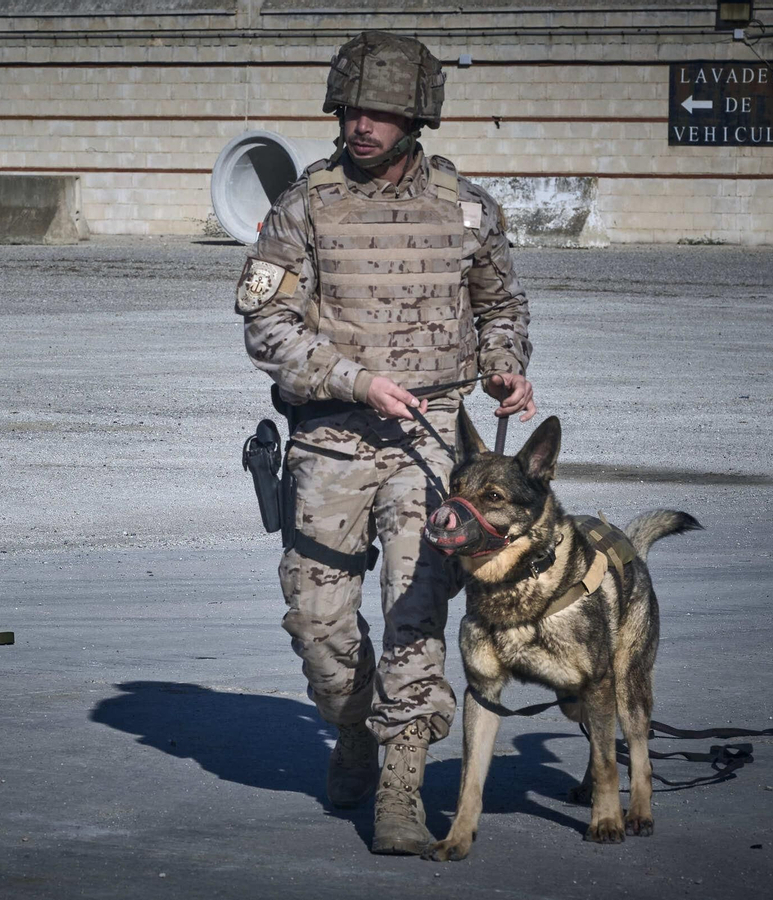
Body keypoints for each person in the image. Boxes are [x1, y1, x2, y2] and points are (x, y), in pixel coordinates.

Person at [233, 31, 535, 855]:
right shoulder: (304, 206)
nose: (362, 125)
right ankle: (356, 727)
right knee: (317, 623)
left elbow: (501, 309)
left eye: (382, 111)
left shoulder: (470, 210)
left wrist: (505, 368)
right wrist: (354, 380)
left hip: (431, 442)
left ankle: (402, 790)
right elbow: (265, 324)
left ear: (417, 118)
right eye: (351, 109)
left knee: (414, 611)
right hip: (331, 437)